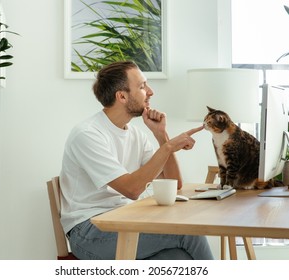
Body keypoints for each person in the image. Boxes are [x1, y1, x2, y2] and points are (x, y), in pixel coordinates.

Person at [59, 61, 214, 260]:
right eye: (142, 86)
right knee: (188, 232)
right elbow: (131, 189)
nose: (150, 92)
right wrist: (167, 147)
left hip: (124, 219)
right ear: (122, 96)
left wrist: (161, 136)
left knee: (178, 257)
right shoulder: (88, 135)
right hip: (90, 231)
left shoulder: (135, 134)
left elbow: (174, 184)